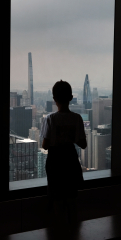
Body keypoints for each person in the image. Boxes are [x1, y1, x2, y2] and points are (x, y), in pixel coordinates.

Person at [41, 80, 87, 227]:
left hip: (55, 161)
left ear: (54, 99)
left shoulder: (50, 119)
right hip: (70, 159)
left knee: (57, 198)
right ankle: (73, 231)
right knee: (72, 197)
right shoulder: (77, 118)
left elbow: (45, 145)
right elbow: (83, 144)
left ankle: (59, 232)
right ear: (71, 97)